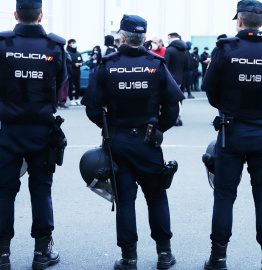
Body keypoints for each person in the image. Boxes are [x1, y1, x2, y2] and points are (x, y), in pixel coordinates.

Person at [82, 14, 185, 270]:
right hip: (149, 142)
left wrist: (109, 129)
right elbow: (173, 106)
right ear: (144, 37)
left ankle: (129, 258)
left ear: (123, 37)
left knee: (125, 200)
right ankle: (164, 254)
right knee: (157, 196)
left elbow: (93, 108)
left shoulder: (108, 65)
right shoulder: (156, 64)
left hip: (118, 140)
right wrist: (159, 129)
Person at [201, 1, 262, 269]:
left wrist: (229, 107)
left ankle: (218, 259)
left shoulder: (225, 49)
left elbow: (209, 89)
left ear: (240, 21)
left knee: (223, 197)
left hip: (231, 132)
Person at [0, 0, 67, 269]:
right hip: (42, 129)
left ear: (16, 14)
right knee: (41, 190)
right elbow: (62, 78)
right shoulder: (54, 46)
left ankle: (2, 254)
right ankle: (42, 253)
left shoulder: (0, 43)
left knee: (4, 191)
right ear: (40, 15)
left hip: (10, 127)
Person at [66, 38, 82, 105]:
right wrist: (74, 64)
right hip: (71, 72)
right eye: (73, 43)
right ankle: (71, 99)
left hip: (77, 72)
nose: (74, 44)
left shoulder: (78, 53)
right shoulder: (67, 53)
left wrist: (81, 63)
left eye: (74, 43)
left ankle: (77, 99)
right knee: (71, 86)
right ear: (69, 44)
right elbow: (67, 62)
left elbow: (81, 60)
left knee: (78, 86)